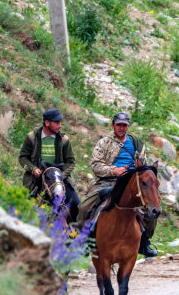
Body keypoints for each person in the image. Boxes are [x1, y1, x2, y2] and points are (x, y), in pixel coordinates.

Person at [76, 112, 159, 258]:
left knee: (153, 207)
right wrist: (113, 170)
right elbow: (95, 165)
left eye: (124, 125)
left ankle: (145, 242)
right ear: (113, 125)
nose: (121, 128)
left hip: (132, 184)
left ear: (128, 126)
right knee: (84, 207)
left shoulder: (136, 144)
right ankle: (84, 240)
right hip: (107, 181)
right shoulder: (104, 142)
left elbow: (144, 166)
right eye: (119, 125)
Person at [19, 108, 81, 216]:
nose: (60, 125)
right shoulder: (32, 137)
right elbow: (23, 157)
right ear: (47, 123)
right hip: (37, 178)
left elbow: (71, 161)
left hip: (59, 178)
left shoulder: (64, 140)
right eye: (57, 122)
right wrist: (33, 169)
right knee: (25, 204)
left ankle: (76, 230)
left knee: (76, 205)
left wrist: (61, 175)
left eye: (60, 122)